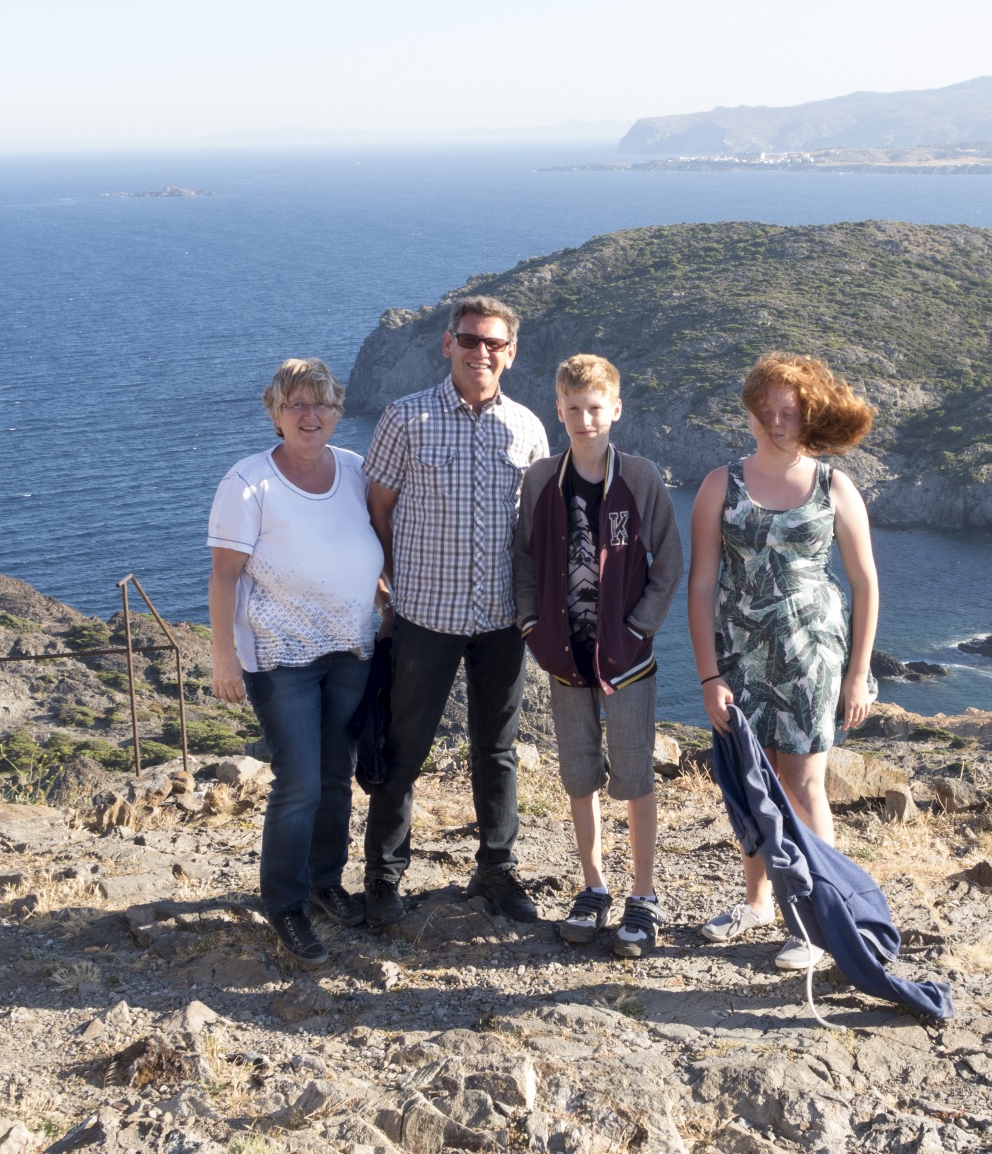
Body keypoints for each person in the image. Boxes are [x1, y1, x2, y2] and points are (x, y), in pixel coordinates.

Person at [687, 353, 880, 971]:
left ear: (809, 415)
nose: (775, 421)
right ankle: (758, 903)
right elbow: (701, 586)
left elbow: (865, 584)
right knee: (754, 780)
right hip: (740, 655)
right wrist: (709, 675)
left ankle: (820, 923)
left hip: (811, 656)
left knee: (803, 783)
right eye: (765, 410)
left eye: (789, 412)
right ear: (749, 412)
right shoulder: (720, 485)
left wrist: (858, 674)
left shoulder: (833, 486)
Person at [360, 296, 550, 926]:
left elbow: (534, 526)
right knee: (404, 748)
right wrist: (388, 584)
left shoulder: (527, 428)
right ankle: (384, 878)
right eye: (469, 340)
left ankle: (497, 869)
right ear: (448, 344)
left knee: (497, 750)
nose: (480, 352)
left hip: (501, 619)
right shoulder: (405, 418)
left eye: (493, 343)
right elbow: (378, 509)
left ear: (510, 353)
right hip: (425, 617)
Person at [207, 357, 385, 970]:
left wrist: (381, 594)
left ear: (337, 409)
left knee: (337, 775)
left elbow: (366, 546)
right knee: (300, 781)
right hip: (280, 657)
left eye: (322, 403)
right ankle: (284, 904)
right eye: (296, 405)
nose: (311, 415)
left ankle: (324, 881)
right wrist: (224, 657)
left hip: (351, 648)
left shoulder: (356, 470)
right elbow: (224, 575)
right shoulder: (248, 482)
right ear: (276, 413)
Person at [513, 354, 684, 958]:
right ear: (558, 412)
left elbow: (669, 562)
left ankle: (643, 894)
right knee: (578, 776)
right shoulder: (541, 479)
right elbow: (524, 559)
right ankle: (593, 886)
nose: (585, 420)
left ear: (615, 410)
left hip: (627, 662)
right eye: (574, 409)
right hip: (565, 660)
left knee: (635, 776)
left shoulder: (640, 477)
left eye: (595, 409)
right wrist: (531, 625)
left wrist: (638, 628)